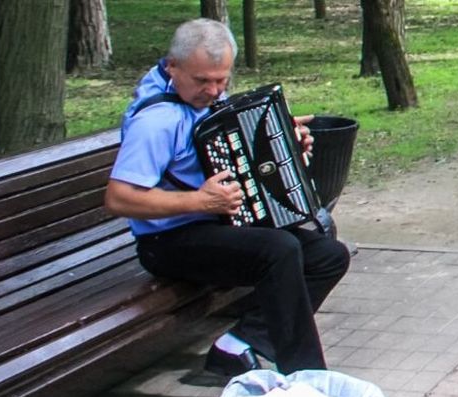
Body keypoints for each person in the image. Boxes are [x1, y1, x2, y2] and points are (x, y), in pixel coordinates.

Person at [104, 18, 350, 377]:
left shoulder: (200, 101)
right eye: (202, 80)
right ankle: (306, 375)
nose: (214, 91)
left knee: (328, 255)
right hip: (167, 241)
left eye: (222, 79)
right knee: (279, 250)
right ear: (172, 66)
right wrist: (198, 202)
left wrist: (285, 143)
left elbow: (235, 155)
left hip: (213, 224)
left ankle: (235, 346)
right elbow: (118, 198)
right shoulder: (156, 121)